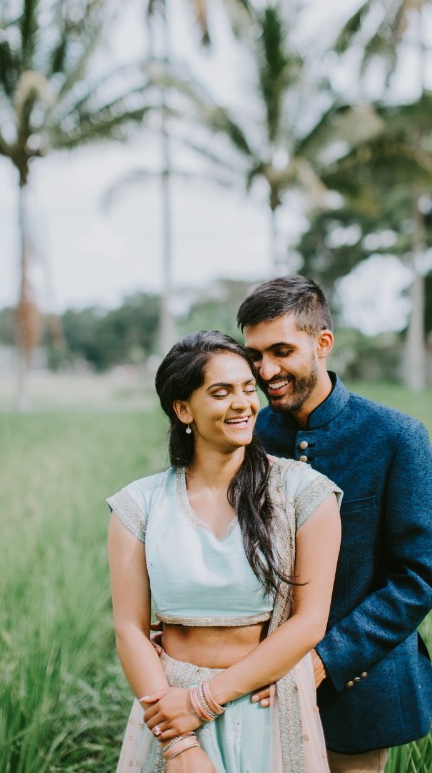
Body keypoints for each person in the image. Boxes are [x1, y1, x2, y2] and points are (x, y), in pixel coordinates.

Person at [106, 330, 342, 772]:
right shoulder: (138, 506)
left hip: (265, 703)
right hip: (168, 708)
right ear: (183, 409)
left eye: (247, 388)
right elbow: (130, 630)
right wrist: (178, 743)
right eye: (221, 392)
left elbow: (309, 623)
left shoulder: (304, 494)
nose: (243, 403)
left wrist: (205, 701)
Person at [237, 276, 432, 773]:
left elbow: (418, 579)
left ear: (323, 343)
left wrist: (324, 661)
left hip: (359, 690)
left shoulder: (396, 437)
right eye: (255, 355)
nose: (266, 370)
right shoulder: (250, 436)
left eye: (282, 350)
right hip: (252, 682)